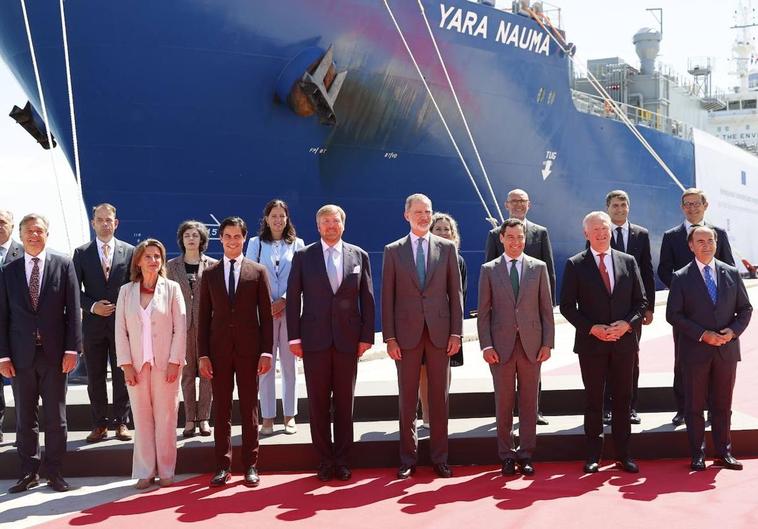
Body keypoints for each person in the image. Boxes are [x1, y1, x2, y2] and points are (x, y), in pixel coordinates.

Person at [286, 204, 374, 481]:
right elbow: (292, 298)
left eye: (335, 221)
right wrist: (294, 337)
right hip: (314, 341)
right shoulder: (303, 256)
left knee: (345, 403)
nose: (330, 226)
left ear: (343, 225)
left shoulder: (358, 255)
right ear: (318, 226)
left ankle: (343, 459)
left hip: (348, 342)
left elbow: (367, 299)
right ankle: (325, 459)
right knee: (319, 403)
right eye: (325, 222)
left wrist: (366, 336)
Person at [382, 193, 463, 480]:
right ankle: (408, 458)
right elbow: (387, 297)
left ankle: (440, 458)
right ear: (407, 215)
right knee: (407, 399)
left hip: (441, 334)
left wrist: (457, 333)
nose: (424, 216)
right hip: (405, 336)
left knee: (439, 399)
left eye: (428, 211)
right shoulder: (393, 251)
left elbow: (456, 294)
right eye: (418, 212)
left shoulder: (446, 248)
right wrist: (389, 338)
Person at [0, 214, 82, 493]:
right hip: (20, 357)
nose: (34, 235)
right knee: (25, 418)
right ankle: (28, 472)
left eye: (39, 231)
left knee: (56, 418)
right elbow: (3, 316)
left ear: (48, 234)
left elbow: (73, 312)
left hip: (56, 355)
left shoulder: (63, 264)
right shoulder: (8, 270)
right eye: (28, 232)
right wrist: (3, 356)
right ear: (20, 236)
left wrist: (72, 350)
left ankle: (54, 472)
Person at [560, 211, 646, 474]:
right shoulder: (575, 264)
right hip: (592, 344)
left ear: (610, 231)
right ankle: (593, 455)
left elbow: (641, 302)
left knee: (623, 398)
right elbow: (566, 306)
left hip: (623, 343)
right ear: (586, 233)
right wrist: (592, 328)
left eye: (605, 228)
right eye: (595, 229)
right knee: (594, 400)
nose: (601, 233)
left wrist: (627, 323)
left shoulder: (628, 261)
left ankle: (623, 455)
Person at [666, 226, 752, 471]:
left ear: (716, 243)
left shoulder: (732, 273)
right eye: (700, 241)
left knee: (723, 405)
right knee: (694, 406)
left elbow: (745, 309)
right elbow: (674, 315)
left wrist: (732, 331)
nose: (706, 244)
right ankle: (698, 454)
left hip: (726, 350)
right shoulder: (681, 276)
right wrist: (704, 335)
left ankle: (724, 453)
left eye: (710, 240)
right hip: (695, 352)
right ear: (691, 246)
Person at [198, 216, 273, 488]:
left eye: (237, 236)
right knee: (222, 410)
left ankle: (251, 465)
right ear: (221, 238)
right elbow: (203, 317)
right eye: (227, 236)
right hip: (218, 352)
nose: (232, 241)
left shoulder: (257, 271)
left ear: (244, 239)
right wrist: (203, 354)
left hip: (250, 351)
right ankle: (222, 466)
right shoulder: (209, 274)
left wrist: (266, 352)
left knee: (250, 407)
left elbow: (266, 317)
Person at [478, 218, 554, 476]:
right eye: (510, 237)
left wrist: (547, 343)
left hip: (532, 346)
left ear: (525, 238)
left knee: (529, 402)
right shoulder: (489, 269)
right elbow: (484, 313)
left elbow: (546, 310)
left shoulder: (539, 267)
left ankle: (526, 454)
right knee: (504, 402)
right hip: (500, 347)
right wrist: (486, 345)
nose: (515, 242)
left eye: (519, 237)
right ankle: (506, 455)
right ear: (501, 238)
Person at [658, 188, 735, 426]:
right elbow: (663, 269)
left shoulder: (717, 233)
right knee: (683, 361)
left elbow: (729, 268)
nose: (692, 208)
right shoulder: (671, 236)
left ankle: (713, 409)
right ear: (682, 208)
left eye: (696, 203)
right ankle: (683, 409)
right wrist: (685, 292)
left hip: (716, 312)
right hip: (685, 313)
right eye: (687, 204)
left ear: (705, 205)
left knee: (717, 362)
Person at [115, 239, 186, 489]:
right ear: (138, 260)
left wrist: (176, 361)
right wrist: (126, 365)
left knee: (166, 418)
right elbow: (120, 331)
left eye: (158, 256)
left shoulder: (173, 289)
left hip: (166, 365)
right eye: (148, 256)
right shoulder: (126, 291)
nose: (153, 260)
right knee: (142, 419)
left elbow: (181, 328)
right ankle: (145, 471)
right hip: (136, 366)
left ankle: (166, 470)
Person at [483, 188, 555, 425]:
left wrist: (547, 313)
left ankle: (534, 411)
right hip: (505, 319)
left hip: (531, 314)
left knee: (533, 369)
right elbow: (491, 273)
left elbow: (549, 274)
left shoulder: (540, 232)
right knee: (504, 373)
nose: (518, 205)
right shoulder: (495, 234)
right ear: (506, 205)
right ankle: (505, 414)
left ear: (529, 204)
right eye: (514, 201)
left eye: (522, 201)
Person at [72, 203, 135, 443]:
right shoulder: (81, 253)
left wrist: (123, 306)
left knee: (122, 374)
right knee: (95, 376)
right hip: (94, 325)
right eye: (100, 220)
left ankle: (121, 422)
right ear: (93, 223)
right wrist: (92, 306)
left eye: (109, 220)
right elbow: (73, 290)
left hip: (123, 325)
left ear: (116, 223)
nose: (105, 224)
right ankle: (99, 424)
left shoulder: (130, 251)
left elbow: (135, 286)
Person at [246, 199, 305, 436]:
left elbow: (302, 278)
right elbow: (249, 276)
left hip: (290, 312)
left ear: (287, 218)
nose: (278, 220)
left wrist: (284, 300)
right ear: (267, 219)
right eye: (274, 216)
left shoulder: (298, 244)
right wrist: (268, 303)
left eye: (282, 216)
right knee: (265, 365)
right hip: (264, 313)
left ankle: (290, 416)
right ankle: (268, 417)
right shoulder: (255, 244)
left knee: (290, 365)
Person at [602, 190, 655, 426]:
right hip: (605, 310)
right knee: (604, 361)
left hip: (633, 309)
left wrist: (649, 307)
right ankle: (606, 407)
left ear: (629, 207)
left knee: (631, 360)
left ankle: (631, 407)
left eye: (623, 204)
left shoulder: (641, 235)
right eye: (615, 205)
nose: (619, 209)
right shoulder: (600, 232)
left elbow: (647, 272)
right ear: (608, 208)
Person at [166, 221, 217, 438]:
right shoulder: (171, 266)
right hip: (181, 328)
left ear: (202, 239)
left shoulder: (214, 265)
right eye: (187, 235)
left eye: (195, 235)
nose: (191, 239)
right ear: (181, 239)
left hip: (208, 327)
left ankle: (204, 418)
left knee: (207, 374)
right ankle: (189, 419)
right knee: (186, 374)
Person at [417, 212, 466, 430]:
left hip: (447, 324)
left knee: (444, 369)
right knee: (423, 371)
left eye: (447, 229)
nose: (443, 232)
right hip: (421, 324)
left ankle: (441, 412)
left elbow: (460, 295)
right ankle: (427, 414)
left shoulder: (458, 260)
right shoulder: (420, 256)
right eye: (438, 229)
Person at [0, 209, 23, 444]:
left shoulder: (23, 253)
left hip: (17, 330)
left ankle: (22, 430)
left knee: (20, 386)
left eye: (2, 222)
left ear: (11, 224)